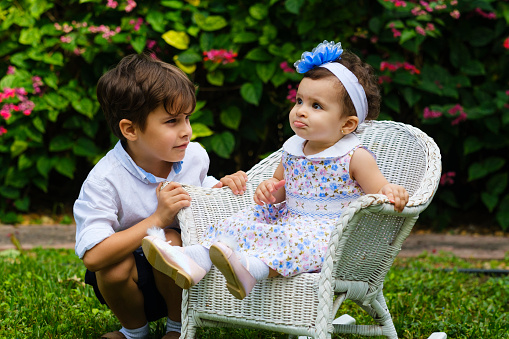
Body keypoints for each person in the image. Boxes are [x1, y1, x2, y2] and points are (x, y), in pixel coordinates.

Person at [141, 40, 409, 301]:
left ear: (347, 125)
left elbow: (380, 190)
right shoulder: (294, 148)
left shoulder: (354, 157)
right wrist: (268, 190)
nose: (301, 111)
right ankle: (194, 259)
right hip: (290, 219)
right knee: (243, 222)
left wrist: (391, 191)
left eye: (316, 106)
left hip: (329, 234)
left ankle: (249, 270)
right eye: (299, 101)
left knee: (292, 240)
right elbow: (280, 186)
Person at [73, 53, 247, 339]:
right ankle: (134, 332)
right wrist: (157, 218)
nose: (186, 131)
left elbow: (203, 192)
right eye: (172, 121)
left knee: (170, 239)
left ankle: (176, 329)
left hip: (184, 277)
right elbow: (93, 257)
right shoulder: (105, 180)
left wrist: (224, 187)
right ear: (130, 129)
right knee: (128, 257)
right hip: (130, 284)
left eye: (187, 118)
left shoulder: (194, 157)